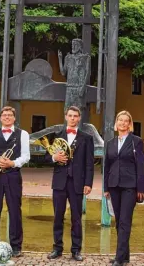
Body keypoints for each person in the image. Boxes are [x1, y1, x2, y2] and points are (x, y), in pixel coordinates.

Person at [45, 106, 94, 262]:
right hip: (59, 182)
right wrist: (54, 158)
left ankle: (76, 250)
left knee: (76, 218)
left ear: (79, 118)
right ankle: (57, 248)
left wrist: (88, 183)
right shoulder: (56, 135)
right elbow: (46, 158)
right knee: (58, 216)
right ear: (65, 116)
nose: (73, 118)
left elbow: (89, 164)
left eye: (75, 116)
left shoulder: (87, 138)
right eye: (70, 115)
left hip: (77, 183)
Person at [0, 106, 30, 257]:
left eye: (10, 115)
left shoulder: (22, 134)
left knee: (15, 210)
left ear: (14, 118)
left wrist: (12, 163)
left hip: (13, 175)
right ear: (1, 118)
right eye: (4, 115)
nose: (7, 117)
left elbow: (26, 156)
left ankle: (16, 245)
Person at [104, 110, 144, 266]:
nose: (122, 123)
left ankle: (119, 257)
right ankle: (124, 255)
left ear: (130, 124)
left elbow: (140, 166)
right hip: (114, 186)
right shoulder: (110, 143)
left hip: (130, 186)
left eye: (125, 121)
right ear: (116, 123)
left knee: (124, 221)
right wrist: (106, 187)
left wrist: (141, 188)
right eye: (120, 120)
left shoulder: (136, 141)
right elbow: (107, 166)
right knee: (119, 221)